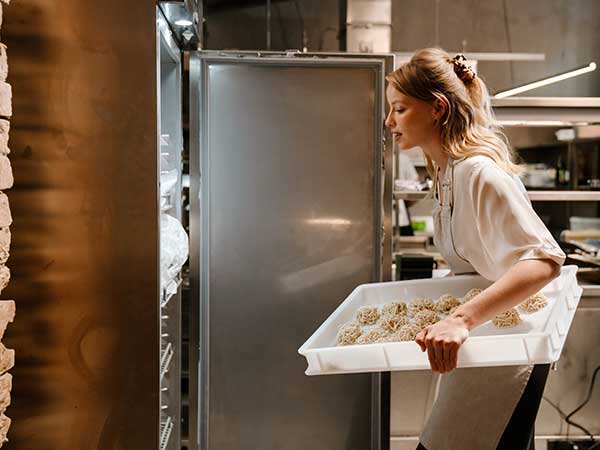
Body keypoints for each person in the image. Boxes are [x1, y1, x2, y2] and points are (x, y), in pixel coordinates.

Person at [384, 48, 566, 450]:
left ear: (437, 108)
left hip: (512, 347)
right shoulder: (446, 170)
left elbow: (544, 261)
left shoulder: (478, 173)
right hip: (485, 341)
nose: (389, 121)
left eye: (399, 109)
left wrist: (460, 319)